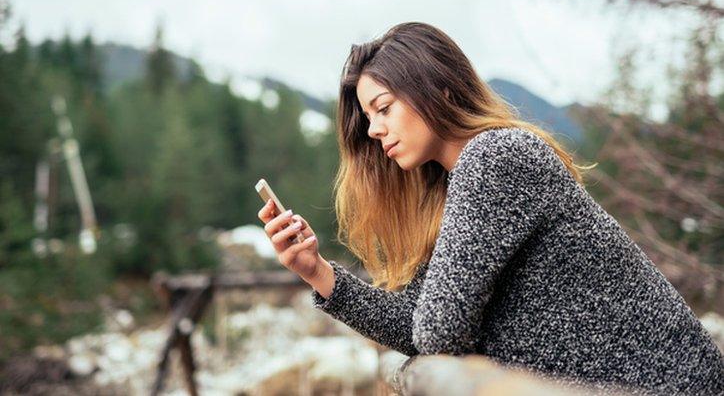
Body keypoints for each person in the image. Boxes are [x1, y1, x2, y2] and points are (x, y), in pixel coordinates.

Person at [257, 22, 723, 394]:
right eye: (369, 118)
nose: (375, 130)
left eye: (384, 107)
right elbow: (416, 325)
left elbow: (436, 333)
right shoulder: (456, 188)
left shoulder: (495, 159)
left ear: (434, 88)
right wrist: (316, 270)